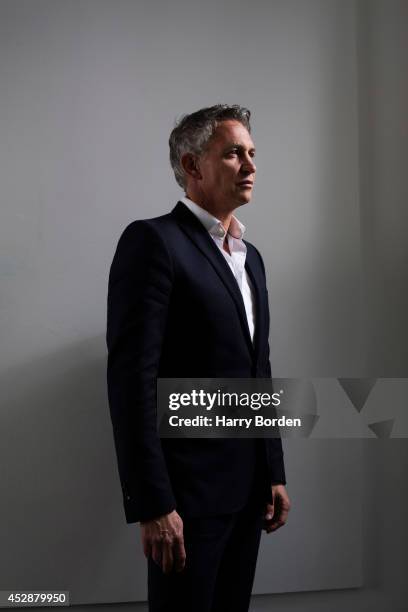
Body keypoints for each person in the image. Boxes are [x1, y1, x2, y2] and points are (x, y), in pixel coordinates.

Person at [106, 104, 291, 612]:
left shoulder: (250, 258)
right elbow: (131, 382)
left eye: (252, 153)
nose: (250, 165)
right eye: (233, 153)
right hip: (184, 500)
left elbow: (259, 371)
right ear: (192, 166)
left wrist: (272, 469)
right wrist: (154, 503)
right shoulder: (153, 242)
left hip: (247, 490)